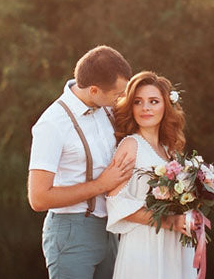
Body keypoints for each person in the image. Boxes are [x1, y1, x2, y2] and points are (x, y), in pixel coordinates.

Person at [28, 45, 136, 279]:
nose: (122, 99)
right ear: (94, 90)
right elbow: (38, 198)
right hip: (71, 232)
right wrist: (101, 185)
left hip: (109, 229)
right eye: (118, 94)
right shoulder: (52, 124)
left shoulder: (106, 110)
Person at [106, 71, 196, 278]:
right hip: (144, 244)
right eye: (138, 102)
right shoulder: (130, 145)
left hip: (173, 243)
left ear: (166, 106)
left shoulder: (170, 149)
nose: (145, 108)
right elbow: (116, 201)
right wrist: (170, 221)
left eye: (153, 101)